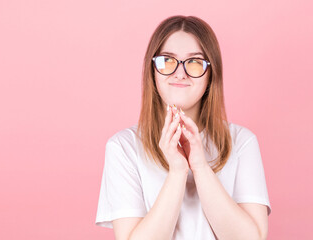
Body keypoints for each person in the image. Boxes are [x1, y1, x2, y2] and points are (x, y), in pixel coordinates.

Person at [95, 15, 271, 240]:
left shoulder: (242, 141)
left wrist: (199, 166)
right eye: (167, 60)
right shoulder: (123, 147)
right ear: (153, 71)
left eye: (194, 62)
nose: (180, 73)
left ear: (211, 73)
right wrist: (177, 172)